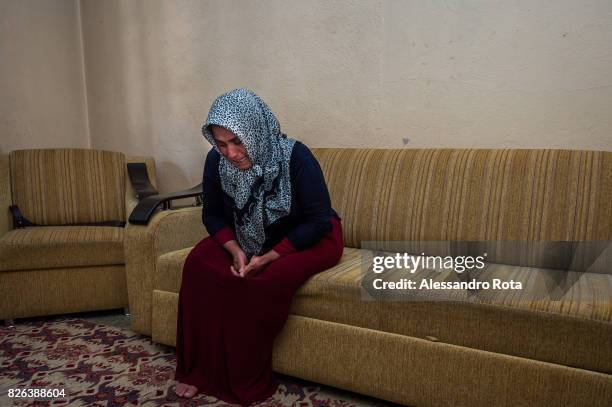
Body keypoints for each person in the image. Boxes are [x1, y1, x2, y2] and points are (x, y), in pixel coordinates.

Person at [174, 88, 344, 405]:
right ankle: (196, 370)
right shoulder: (217, 162)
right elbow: (211, 214)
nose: (231, 153)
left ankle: (244, 378)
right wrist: (236, 251)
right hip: (249, 238)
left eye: (238, 141)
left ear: (257, 130)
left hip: (311, 237)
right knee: (198, 265)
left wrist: (268, 257)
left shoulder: (296, 156)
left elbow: (319, 220)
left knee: (261, 282)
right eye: (222, 143)